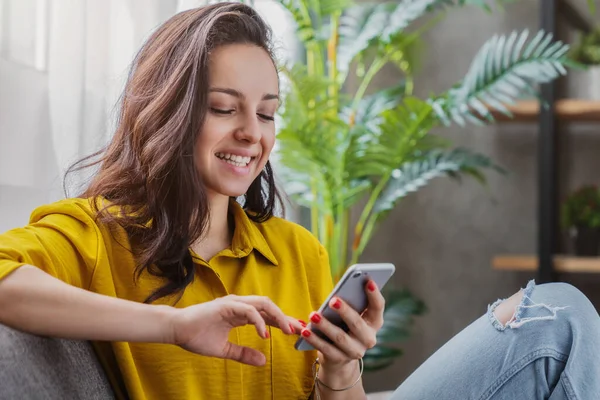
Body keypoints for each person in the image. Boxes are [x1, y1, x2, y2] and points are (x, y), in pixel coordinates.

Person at [0, 3, 599, 400]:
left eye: (266, 113)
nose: (251, 134)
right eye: (223, 107)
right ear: (168, 111)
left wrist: (341, 375)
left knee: (553, 318)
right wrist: (175, 325)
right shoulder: (97, 235)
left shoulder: (297, 252)